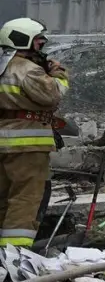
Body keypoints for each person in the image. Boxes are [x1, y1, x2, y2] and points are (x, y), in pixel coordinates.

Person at [0, 18, 68, 248]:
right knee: (25, 197)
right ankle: (15, 253)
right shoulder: (28, 70)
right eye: (38, 42)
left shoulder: (3, 66)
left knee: (3, 198)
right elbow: (53, 96)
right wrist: (58, 74)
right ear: (24, 40)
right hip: (26, 145)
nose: (41, 47)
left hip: (3, 141)